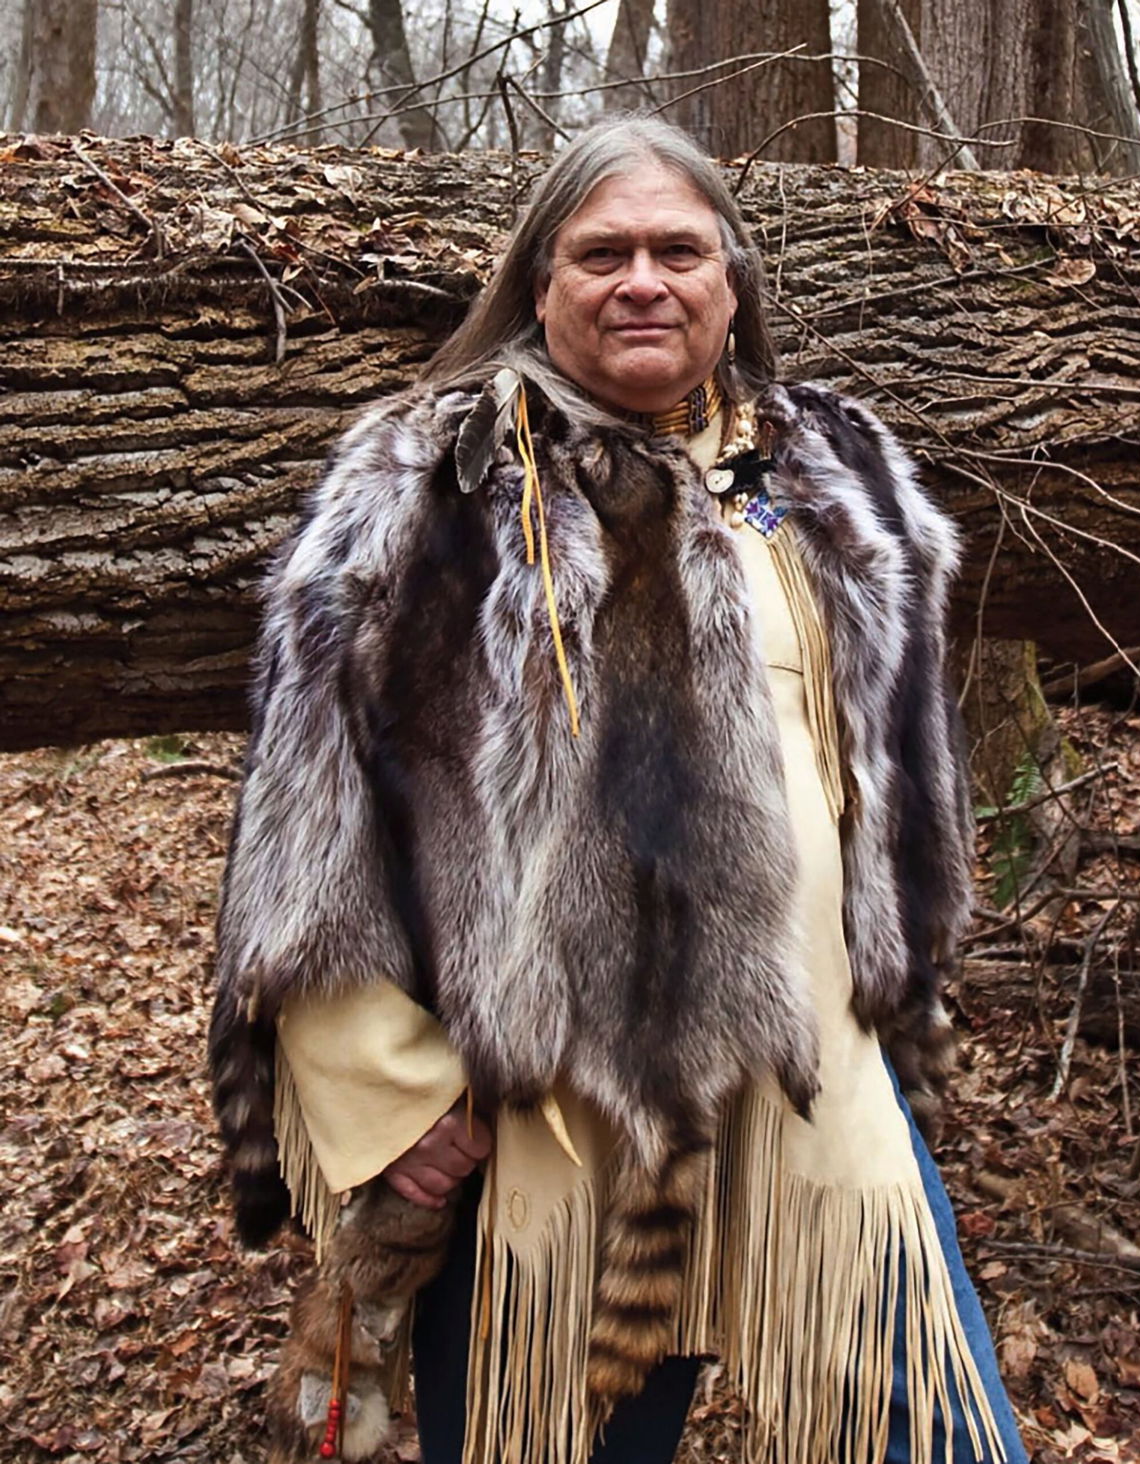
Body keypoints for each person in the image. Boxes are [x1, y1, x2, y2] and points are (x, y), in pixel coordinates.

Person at [210, 116, 1030, 1464]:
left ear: (731, 282)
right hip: (549, 1134)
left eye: (676, 250)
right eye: (602, 253)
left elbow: (884, 769)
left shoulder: (824, 468)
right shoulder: (431, 481)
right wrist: (385, 1091)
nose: (640, 279)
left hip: (809, 1095)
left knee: (943, 1438)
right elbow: (309, 810)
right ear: (542, 284)